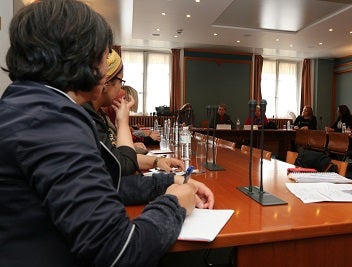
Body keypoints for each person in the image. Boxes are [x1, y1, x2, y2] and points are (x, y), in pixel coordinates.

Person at [0, 1, 214, 267]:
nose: (106, 69)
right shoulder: (51, 122)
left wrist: (167, 183)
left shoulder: (29, 106)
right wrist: (174, 203)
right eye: (104, 55)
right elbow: (119, 250)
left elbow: (104, 187)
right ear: (81, 59)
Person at [83, 49, 181, 175]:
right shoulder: (87, 116)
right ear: (106, 82)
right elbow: (123, 166)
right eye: (121, 81)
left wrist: (157, 161)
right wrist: (123, 122)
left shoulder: (98, 114)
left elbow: (117, 157)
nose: (121, 87)